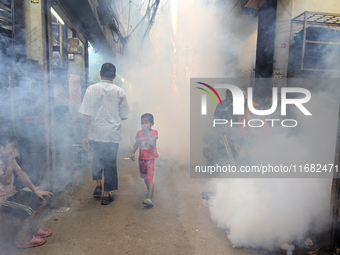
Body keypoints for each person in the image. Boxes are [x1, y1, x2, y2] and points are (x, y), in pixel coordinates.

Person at [79, 63, 129, 205]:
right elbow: (125, 115)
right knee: (110, 163)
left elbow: (86, 115)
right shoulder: (120, 91)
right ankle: (106, 195)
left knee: (97, 159)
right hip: (112, 134)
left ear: (100, 73)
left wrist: (84, 135)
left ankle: (98, 186)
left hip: (96, 133)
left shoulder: (90, 90)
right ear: (114, 76)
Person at [0, 132, 53, 248]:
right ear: (1, 147)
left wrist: (35, 190)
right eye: (12, 146)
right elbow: (6, 181)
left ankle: (32, 230)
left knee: (41, 199)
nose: (14, 149)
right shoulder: (4, 160)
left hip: (10, 194)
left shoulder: (8, 158)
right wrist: (9, 160)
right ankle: (21, 239)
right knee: (29, 208)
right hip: (2, 198)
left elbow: (21, 174)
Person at [130, 113, 158, 207]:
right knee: (144, 177)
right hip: (141, 158)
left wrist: (147, 133)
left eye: (146, 123)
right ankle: (148, 188)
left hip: (150, 159)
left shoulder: (154, 132)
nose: (144, 125)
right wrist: (133, 152)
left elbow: (152, 143)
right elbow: (136, 143)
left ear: (152, 123)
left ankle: (149, 197)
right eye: (142, 123)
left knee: (150, 177)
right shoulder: (139, 133)